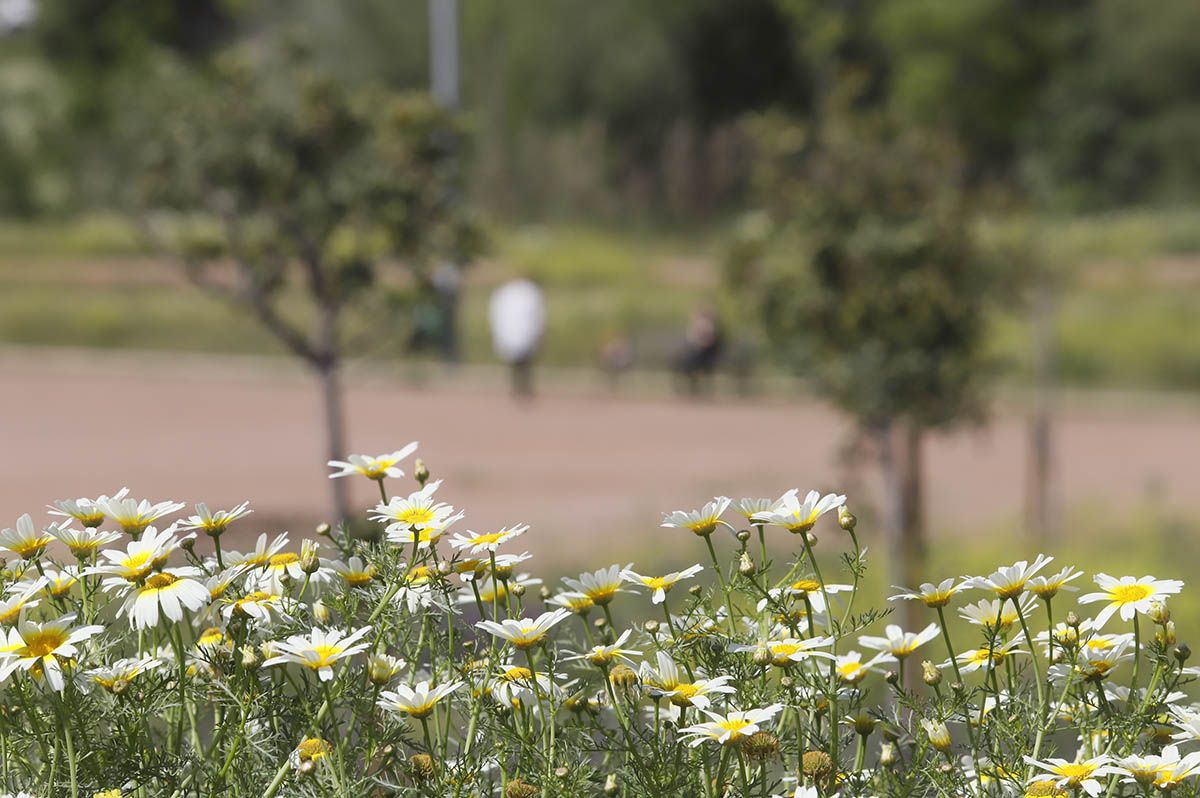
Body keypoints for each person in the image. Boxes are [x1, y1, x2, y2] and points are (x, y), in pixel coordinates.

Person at [488, 275, 546, 399]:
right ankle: (520, 387)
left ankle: (522, 387)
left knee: (524, 362)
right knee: (519, 362)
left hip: (523, 333)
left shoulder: (525, 292)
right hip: (517, 333)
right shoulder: (513, 293)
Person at [673, 304, 725, 396]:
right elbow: (692, 339)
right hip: (696, 353)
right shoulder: (700, 324)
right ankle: (692, 387)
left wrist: (702, 344)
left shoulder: (708, 325)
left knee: (691, 360)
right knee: (686, 359)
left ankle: (695, 387)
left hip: (705, 354)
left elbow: (709, 341)